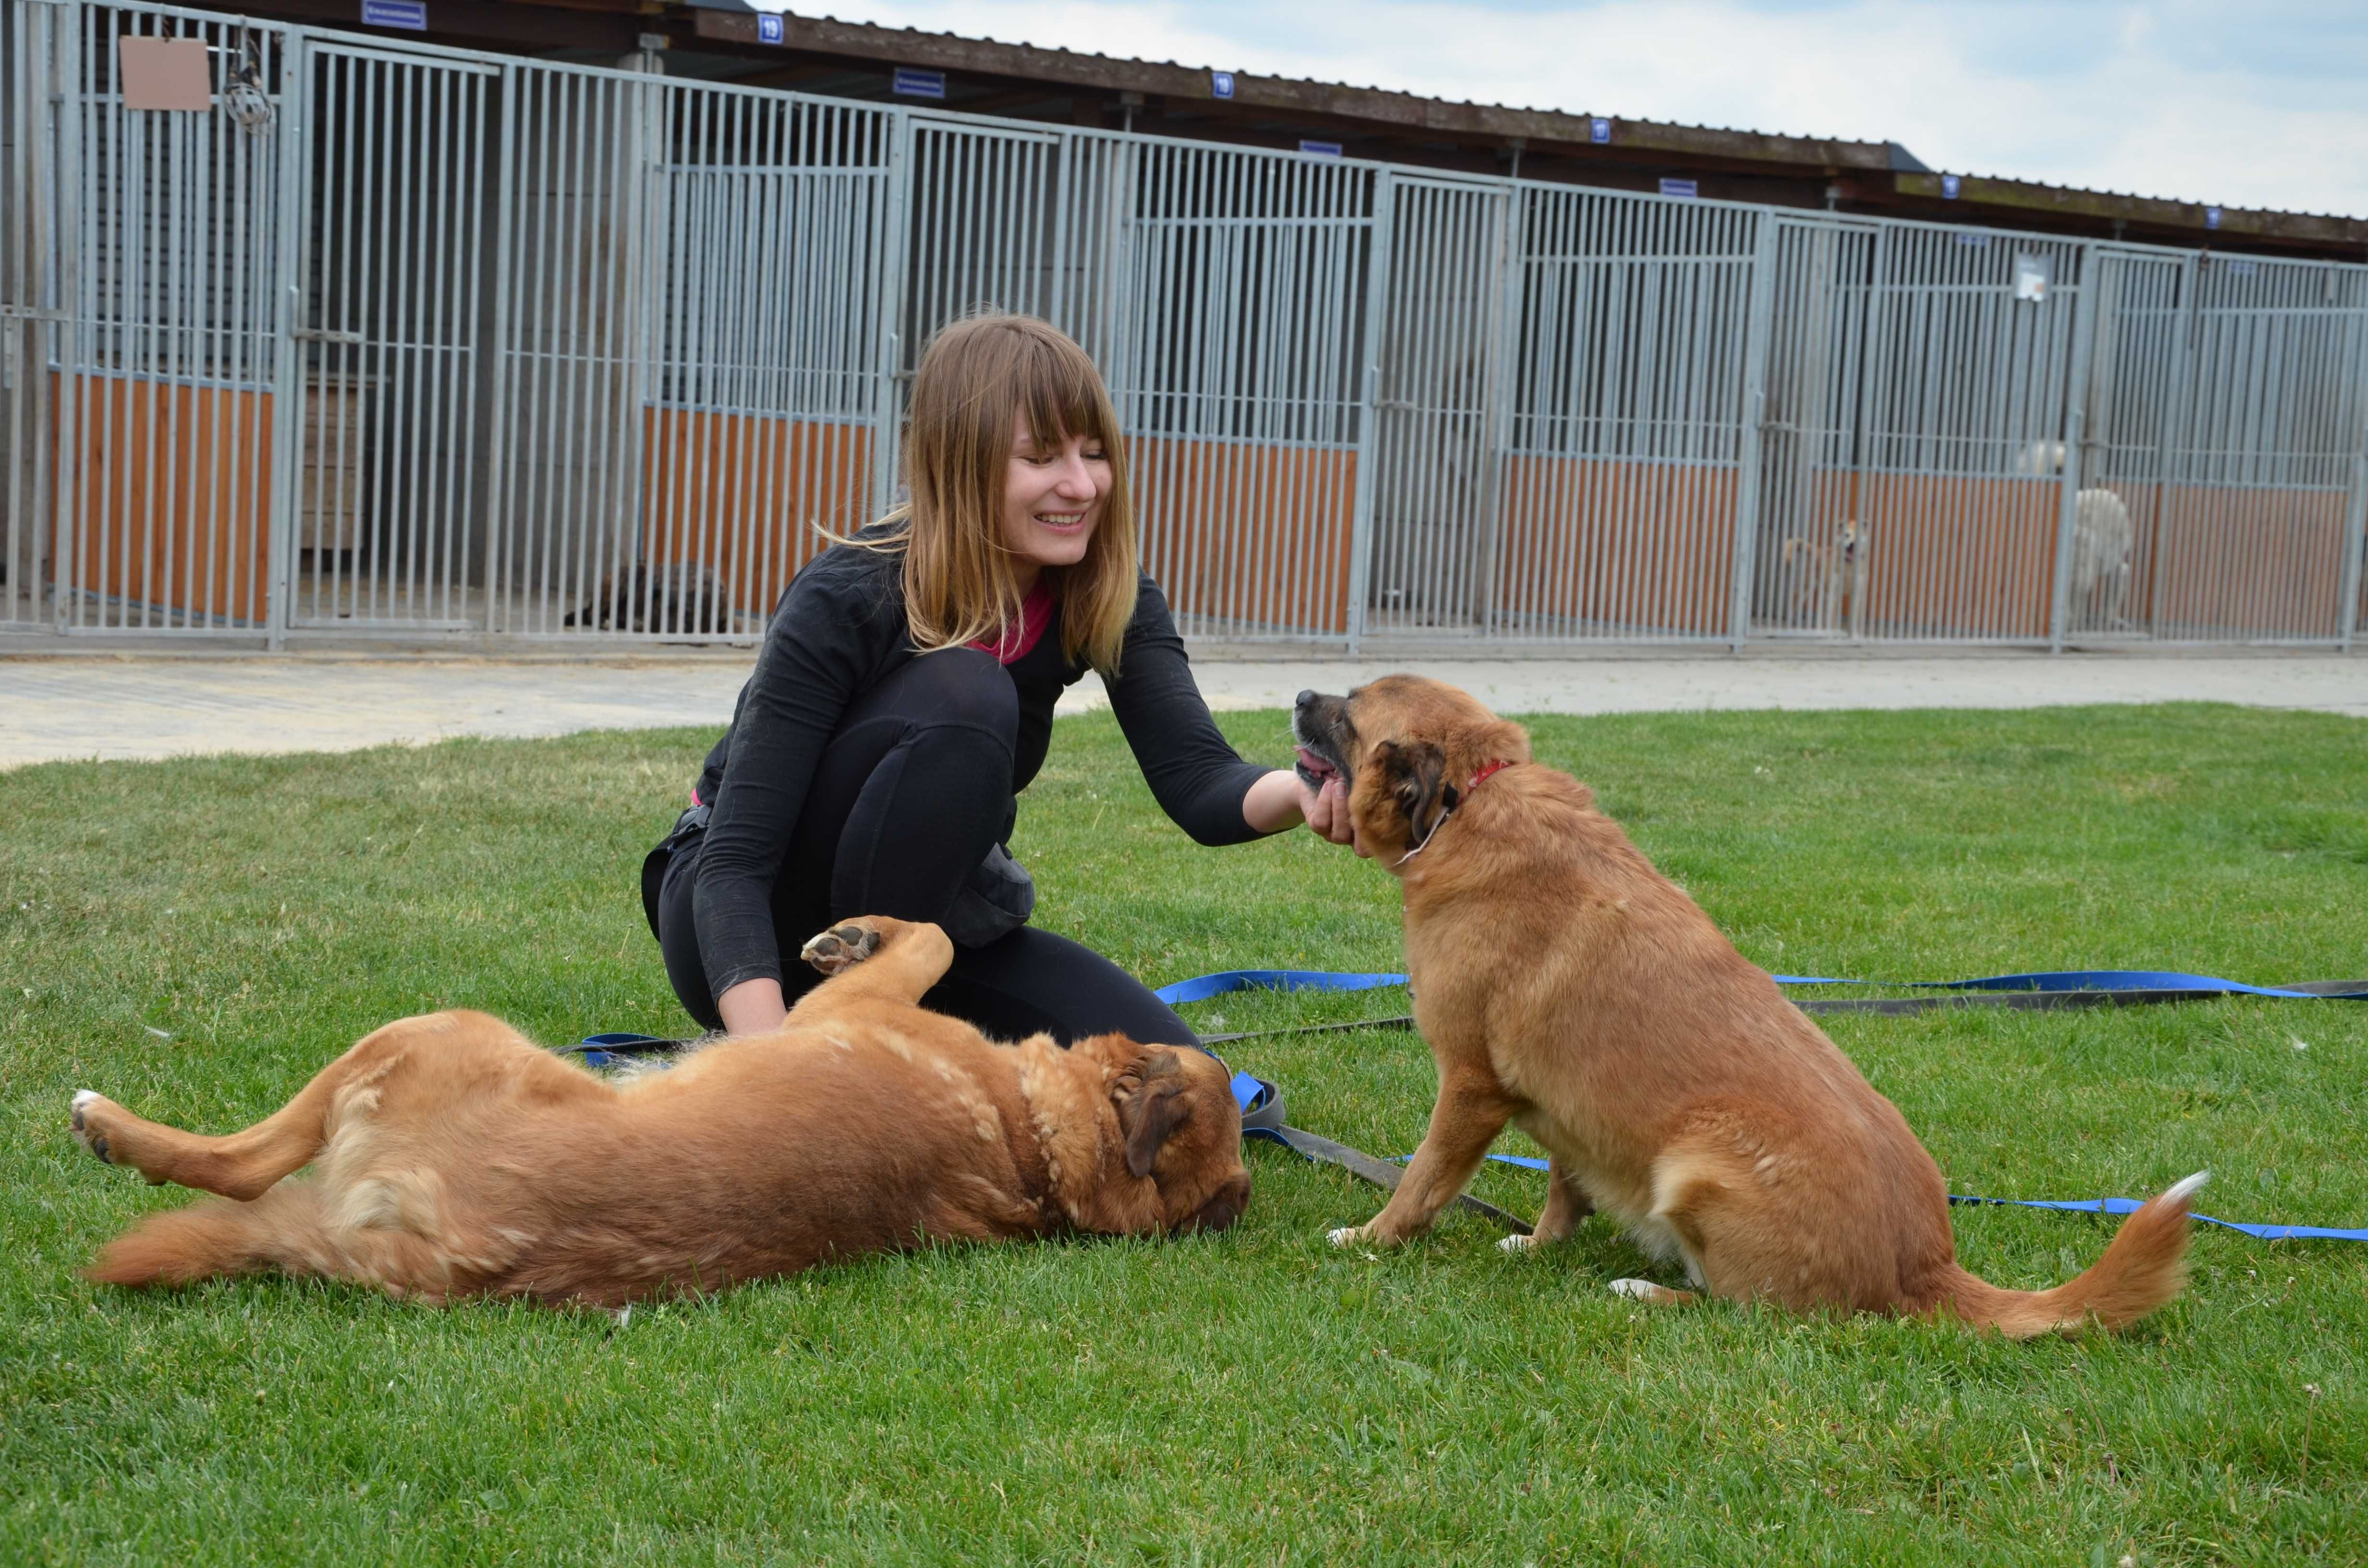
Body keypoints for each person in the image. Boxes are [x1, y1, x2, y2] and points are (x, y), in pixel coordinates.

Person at [647, 313, 1356, 1050]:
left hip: (930, 934)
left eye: (1093, 453)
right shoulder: (850, 592)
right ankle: (852, 1046)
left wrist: (1310, 792)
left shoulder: (1108, 592)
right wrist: (776, 1074)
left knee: (1175, 1077)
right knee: (968, 692)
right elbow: (736, 864)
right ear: (964, 461)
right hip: (743, 926)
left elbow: (1199, 778)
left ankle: (892, 1027)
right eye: (1042, 456)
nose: (1081, 485)